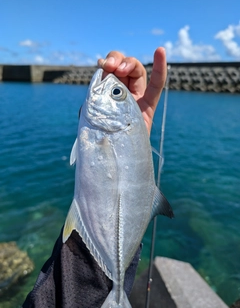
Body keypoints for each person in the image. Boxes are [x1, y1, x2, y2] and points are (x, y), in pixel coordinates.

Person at [22, 47, 167, 308]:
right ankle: (117, 292)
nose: (110, 86)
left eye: (115, 93)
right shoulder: (104, 124)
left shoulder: (109, 125)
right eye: (117, 92)